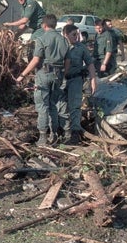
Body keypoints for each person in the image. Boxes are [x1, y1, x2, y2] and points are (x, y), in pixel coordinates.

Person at [16, 14, 69, 147]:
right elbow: (68, 60)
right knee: (53, 105)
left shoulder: (41, 38)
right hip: (58, 75)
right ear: (55, 25)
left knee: (42, 106)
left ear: (44, 25)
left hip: (44, 75)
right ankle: (54, 134)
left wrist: (22, 74)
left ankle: (43, 137)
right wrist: (64, 74)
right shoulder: (63, 40)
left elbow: (36, 60)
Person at [63, 24, 97, 145]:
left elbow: (90, 64)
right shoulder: (60, 46)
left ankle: (75, 133)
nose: (76, 37)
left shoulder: (81, 48)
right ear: (65, 35)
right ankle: (62, 131)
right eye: (73, 35)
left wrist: (93, 80)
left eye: (77, 34)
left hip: (75, 80)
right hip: (61, 81)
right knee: (61, 107)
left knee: (75, 107)